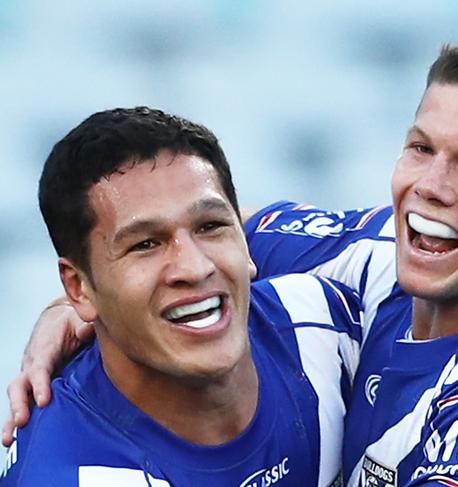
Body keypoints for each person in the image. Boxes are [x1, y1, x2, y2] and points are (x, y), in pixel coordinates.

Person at [4, 37, 458, 486]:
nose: (430, 187)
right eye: (421, 148)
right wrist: (77, 308)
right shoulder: (376, 257)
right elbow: (207, 243)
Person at [0, 107, 362, 486]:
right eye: (145, 244)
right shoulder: (74, 474)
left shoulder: (327, 323)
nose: (194, 267)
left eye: (210, 226)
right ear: (78, 287)